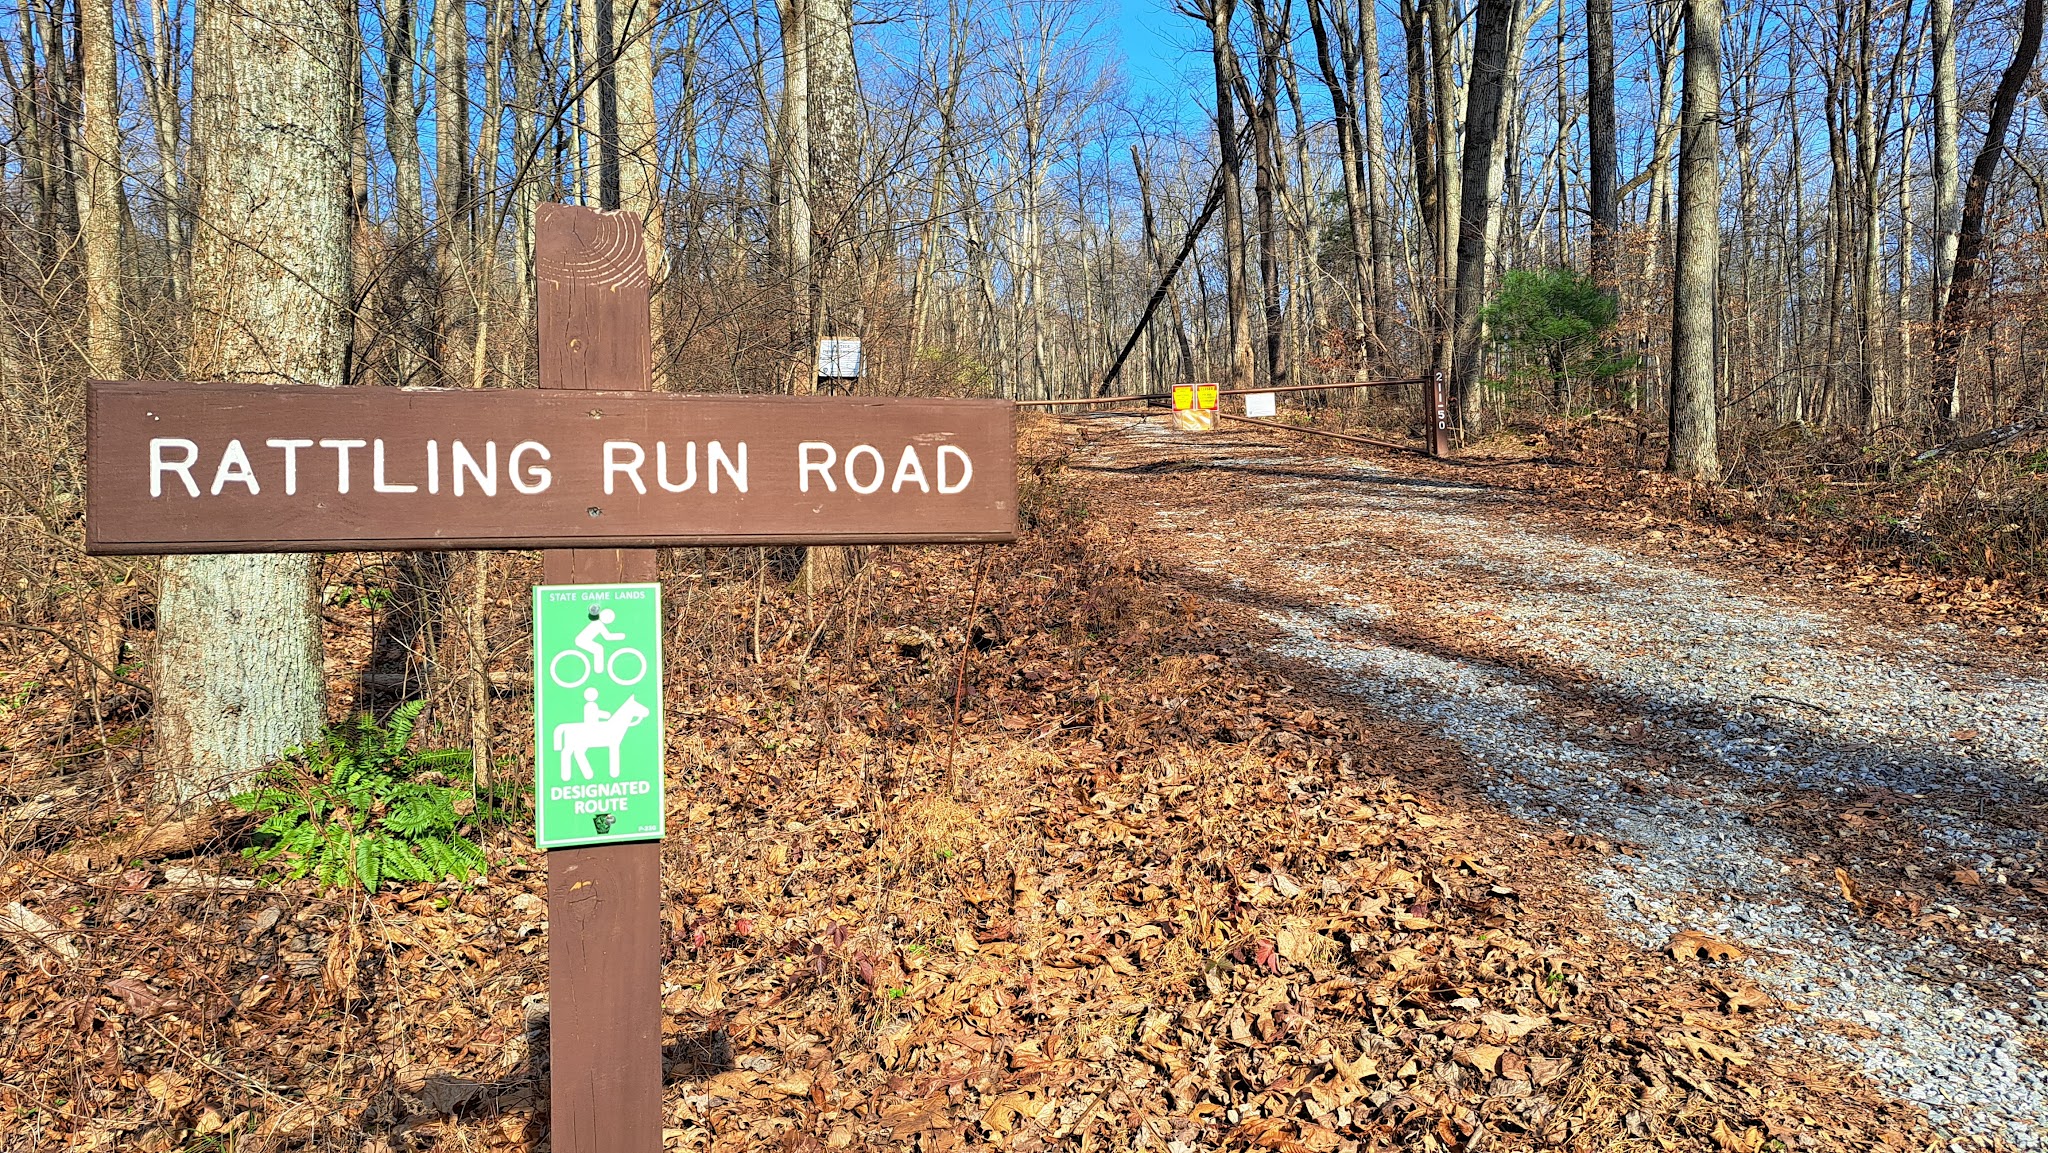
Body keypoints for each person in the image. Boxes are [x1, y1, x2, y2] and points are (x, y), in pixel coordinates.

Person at [576, 607, 625, 672]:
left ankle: (598, 669)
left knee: (599, 648)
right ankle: (598, 670)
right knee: (599, 648)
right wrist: (621, 636)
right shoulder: (598, 624)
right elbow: (607, 636)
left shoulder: (597, 623)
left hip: (582, 640)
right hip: (582, 641)